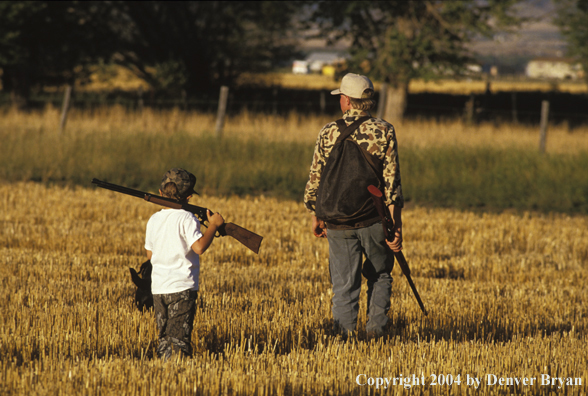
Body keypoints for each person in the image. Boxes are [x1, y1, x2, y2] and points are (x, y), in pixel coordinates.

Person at [304, 73, 404, 339]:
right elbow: (391, 184)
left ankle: (343, 338)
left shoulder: (328, 132)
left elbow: (316, 179)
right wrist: (396, 226)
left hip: (337, 221)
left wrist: (317, 215)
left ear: (346, 101)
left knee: (344, 285)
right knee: (380, 275)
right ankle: (375, 334)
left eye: (341, 97)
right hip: (374, 219)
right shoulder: (384, 130)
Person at [145, 168, 224, 359]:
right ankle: (177, 375)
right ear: (189, 197)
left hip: (159, 288)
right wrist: (213, 225)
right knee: (179, 340)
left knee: (165, 339)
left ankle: (165, 373)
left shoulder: (153, 219)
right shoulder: (187, 218)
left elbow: (149, 255)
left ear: (161, 193)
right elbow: (198, 248)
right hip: (182, 287)